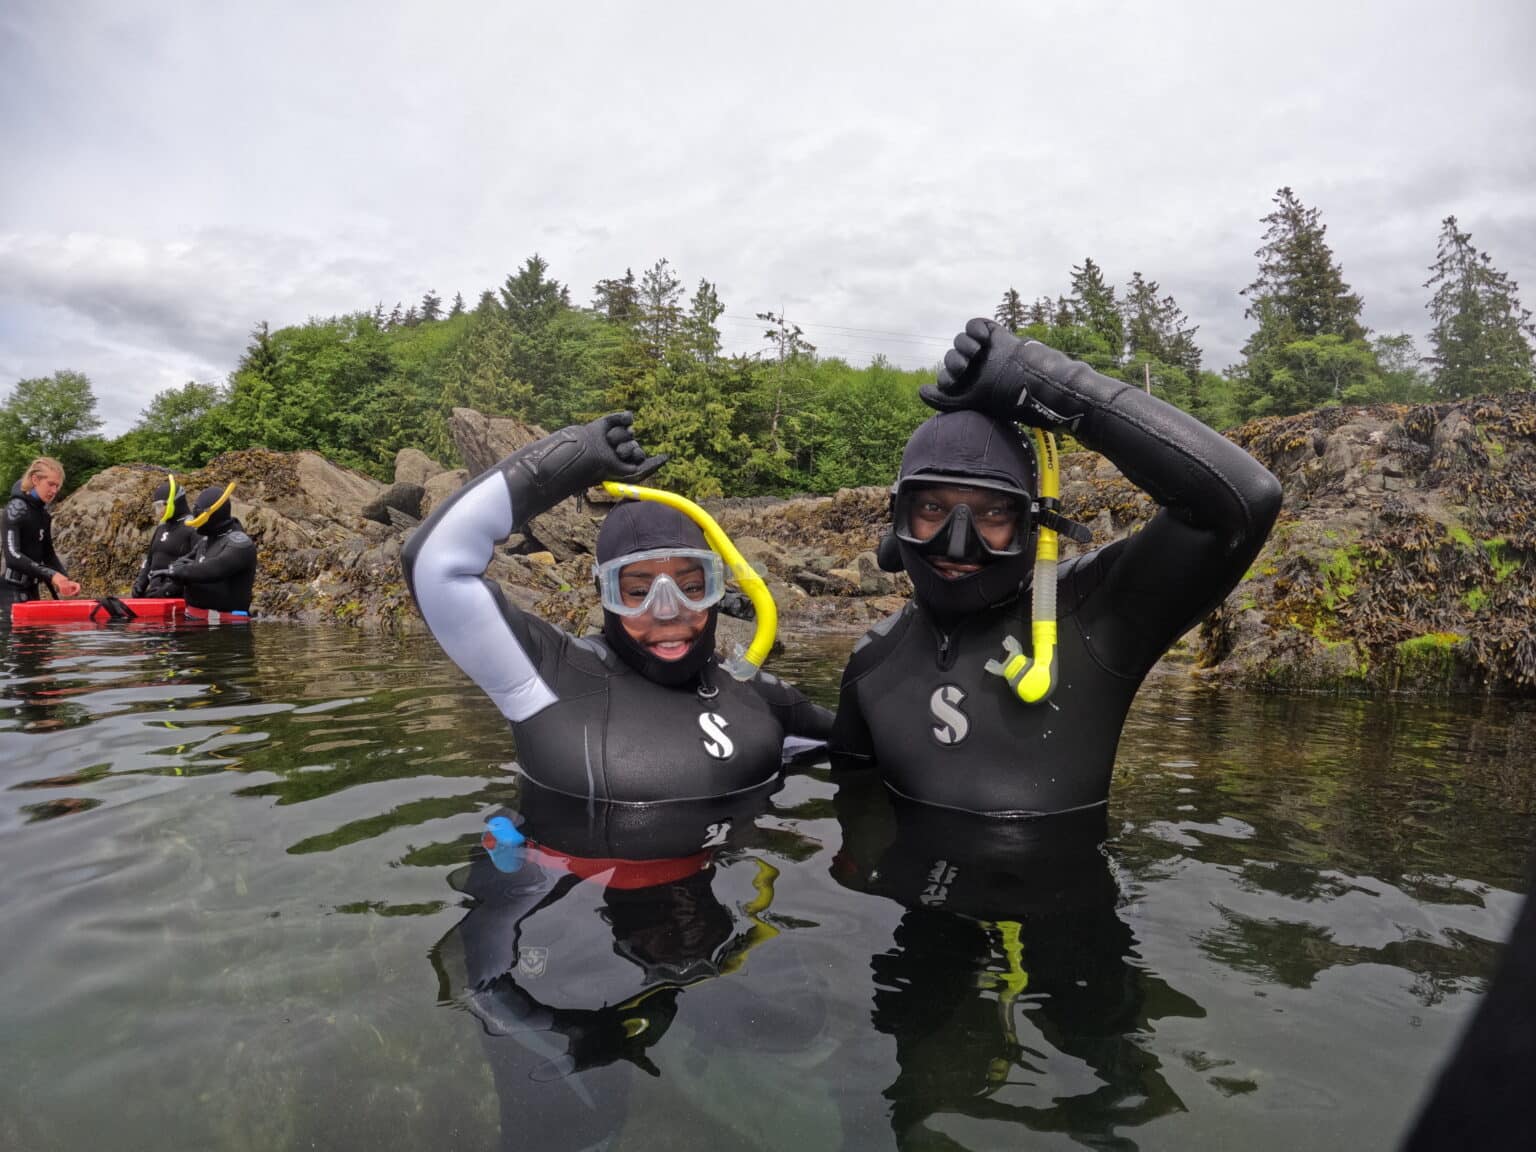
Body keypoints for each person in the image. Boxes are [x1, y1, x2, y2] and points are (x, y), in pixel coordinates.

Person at [831, 320, 1282, 816]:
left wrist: (1042, 380)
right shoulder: (869, 664)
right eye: (932, 511)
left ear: (1036, 525)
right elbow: (854, 813)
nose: (957, 545)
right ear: (899, 517)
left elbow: (1241, 504)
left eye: (994, 513)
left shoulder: (1097, 617)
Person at [401, 412, 832, 804]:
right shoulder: (549, 679)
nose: (667, 611)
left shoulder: (760, 694)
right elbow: (435, 564)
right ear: (603, 592)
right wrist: (572, 457)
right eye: (637, 590)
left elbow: (873, 741)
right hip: (575, 889)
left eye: (691, 586)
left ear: (721, 587)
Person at [2, 456, 82, 611]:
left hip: (32, 590)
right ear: (35, 479)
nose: (54, 491)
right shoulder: (15, 509)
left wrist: (64, 580)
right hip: (9, 592)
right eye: (50, 484)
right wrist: (52, 576)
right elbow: (12, 556)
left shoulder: (43, 514)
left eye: (57, 486)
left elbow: (48, 555)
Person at [167, 482, 258, 614]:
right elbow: (182, 563)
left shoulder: (240, 544)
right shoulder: (206, 540)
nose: (196, 526)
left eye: (199, 520)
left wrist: (181, 571)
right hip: (197, 621)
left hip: (228, 627)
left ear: (213, 516)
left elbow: (215, 569)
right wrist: (174, 573)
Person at [131, 476, 200, 599]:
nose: (159, 511)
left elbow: (199, 566)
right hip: (156, 596)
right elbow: (150, 559)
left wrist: (170, 589)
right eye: (156, 506)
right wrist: (141, 582)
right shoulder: (161, 527)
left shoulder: (192, 526)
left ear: (174, 502)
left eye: (160, 505)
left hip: (179, 598)